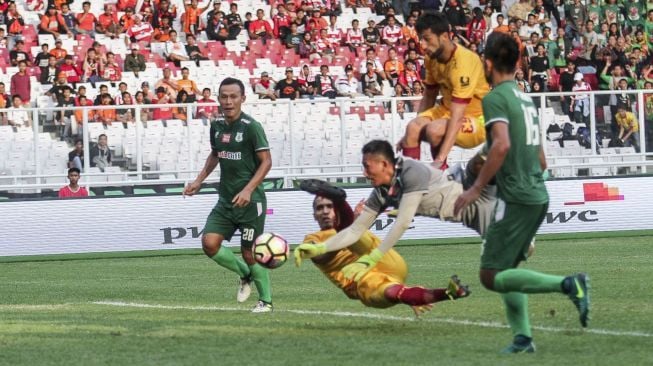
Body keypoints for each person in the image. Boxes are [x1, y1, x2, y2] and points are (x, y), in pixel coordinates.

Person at [453, 32, 590, 353]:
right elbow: (540, 158)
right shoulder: (523, 97)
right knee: (508, 269)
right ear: (517, 63)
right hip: (536, 193)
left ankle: (570, 284)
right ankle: (523, 338)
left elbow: (501, 145)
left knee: (490, 275)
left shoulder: (495, 97)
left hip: (516, 197)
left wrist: (475, 189)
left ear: (487, 64)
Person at [297, 179, 469, 316]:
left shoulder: (351, 225)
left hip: (382, 259)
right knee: (391, 291)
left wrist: (359, 219)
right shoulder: (313, 239)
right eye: (320, 208)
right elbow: (319, 256)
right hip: (362, 281)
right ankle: (449, 292)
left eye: (330, 206)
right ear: (314, 215)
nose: (325, 211)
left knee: (354, 231)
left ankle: (345, 201)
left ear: (336, 211)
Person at [183, 77, 273, 313]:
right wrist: (198, 181)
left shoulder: (251, 127)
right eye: (224, 96)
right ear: (218, 99)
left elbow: (267, 162)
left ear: (243, 98)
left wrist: (248, 189)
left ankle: (266, 301)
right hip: (226, 200)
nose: (228, 101)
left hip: (251, 202)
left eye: (234, 96)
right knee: (209, 243)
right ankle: (244, 274)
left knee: (248, 251)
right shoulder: (217, 125)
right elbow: (216, 154)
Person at [397, 13, 489, 168]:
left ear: (445, 36)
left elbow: (458, 115)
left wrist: (439, 158)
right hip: (447, 111)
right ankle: (410, 182)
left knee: (434, 130)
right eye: (421, 39)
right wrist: (414, 131)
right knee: (412, 128)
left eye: (427, 39)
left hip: (477, 118)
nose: (423, 45)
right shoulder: (430, 58)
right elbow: (429, 95)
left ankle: (441, 175)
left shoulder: (464, 62)